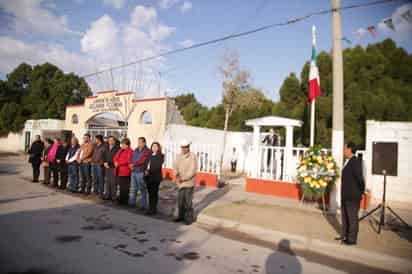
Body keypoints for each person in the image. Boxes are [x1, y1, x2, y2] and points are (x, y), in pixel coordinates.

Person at [335, 142, 365, 246]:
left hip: (352, 196)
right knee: (345, 216)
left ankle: (351, 239)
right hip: (345, 195)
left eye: (345, 148)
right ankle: (344, 235)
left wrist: (361, 192)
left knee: (352, 218)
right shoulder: (347, 161)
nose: (343, 150)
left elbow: (360, 179)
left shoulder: (355, 161)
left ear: (349, 149)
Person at [173, 139, 198, 225]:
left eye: (185, 147)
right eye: (182, 147)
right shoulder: (178, 156)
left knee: (188, 202)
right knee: (180, 201)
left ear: (188, 147)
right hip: (180, 182)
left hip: (188, 183)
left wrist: (183, 178)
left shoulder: (192, 156)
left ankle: (188, 219)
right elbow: (175, 166)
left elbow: (192, 170)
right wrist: (176, 175)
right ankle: (180, 216)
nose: (184, 149)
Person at [129, 137, 151, 211]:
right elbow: (131, 157)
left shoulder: (147, 151)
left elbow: (142, 160)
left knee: (142, 190)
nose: (139, 144)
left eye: (140, 142)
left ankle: (143, 205)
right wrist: (130, 164)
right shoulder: (136, 150)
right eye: (138, 142)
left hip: (141, 172)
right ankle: (132, 203)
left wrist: (133, 165)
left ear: (144, 143)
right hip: (133, 171)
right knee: (133, 189)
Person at [145, 142, 164, 215]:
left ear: (158, 148)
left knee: (154, 193)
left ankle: (153, 209)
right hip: (148, 177)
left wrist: (148, 171)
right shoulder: (149, 155)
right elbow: (146, 164)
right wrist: (145, 170)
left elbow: (157, 166)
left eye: (156, 146)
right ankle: (150, 208)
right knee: (150, 193)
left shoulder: (160, 156)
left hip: (155, 177)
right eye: (153, 146)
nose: (154, 148)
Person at [113, 138, 133, 205]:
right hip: (119, 170)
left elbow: (128, 160)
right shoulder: (120, 150)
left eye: (124, 144)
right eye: (122, 144)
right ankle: (121, 199)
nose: (122, 145)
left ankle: (124, 200)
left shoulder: (130, 151)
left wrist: (119, 163)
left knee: (125, 187)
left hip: (125, 171)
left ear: (127, 144)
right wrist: (115, 161)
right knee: (121, 186)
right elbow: (115, 157)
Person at [103, 136, 120, 201]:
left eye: (111, 140)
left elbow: (116, 158)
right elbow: (104, 155)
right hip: (107, 166)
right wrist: (104, 162)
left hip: (113, 167)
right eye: (109, 140)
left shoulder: (118, 148)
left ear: (114, 141)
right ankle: (107, 195)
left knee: (113, 182)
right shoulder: (106, 147)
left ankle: (113, 197)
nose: (110, 141)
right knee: (107, 182)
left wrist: (109, 163)